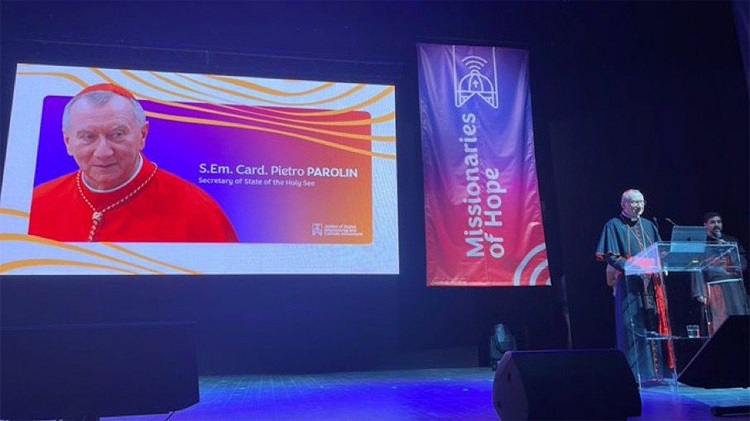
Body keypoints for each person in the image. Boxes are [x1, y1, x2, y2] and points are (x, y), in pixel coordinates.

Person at [28, 83, 239, 242]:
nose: (103, 152)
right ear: (68, 142)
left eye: (117, 134)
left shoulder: (198, 212)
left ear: (142, 135)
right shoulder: (36, 205)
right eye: (88, 137)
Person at [595, 189, 673, 384]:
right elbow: (610, 255)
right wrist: (632, 266)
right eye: (634, 202)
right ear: (624, 205)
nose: (638, 206)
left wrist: (662, 264)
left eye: (641, 202)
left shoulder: (649, 224)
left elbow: (660, 251)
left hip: (651, 283)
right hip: (629, 283)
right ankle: (634, 375)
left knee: (652, 324)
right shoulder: (613, 225)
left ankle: (657, 374)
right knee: (631, 327)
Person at [691, 212, 749, 335]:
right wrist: (699, 291)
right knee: (720, 321)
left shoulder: (731, 241)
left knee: (740, 320)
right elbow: (696, 266)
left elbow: (742, 264)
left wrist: (728, 249)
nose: (716, 224)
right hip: (715, 287)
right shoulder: (701, 244)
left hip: (735, 287)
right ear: (705, 225)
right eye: (712, 222)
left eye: (719, 222)